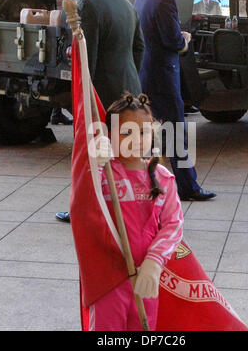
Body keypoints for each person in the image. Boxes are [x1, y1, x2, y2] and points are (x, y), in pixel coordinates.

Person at [56, 0, 145, 223]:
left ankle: (85, 209)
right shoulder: (126, 4)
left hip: (102, 97)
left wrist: (84, 102)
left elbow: (87, 62)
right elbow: (139, 48)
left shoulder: (88, 6)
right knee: (126, 155)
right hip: (130, 91)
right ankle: (129, 207)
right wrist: (127, 80)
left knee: (92, 156)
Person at [88, 93, 184, 330]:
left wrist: (154, 262)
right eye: (126, 132)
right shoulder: (105, 174)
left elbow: (173, 224)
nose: (137, 139)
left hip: (145, 277)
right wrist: (93, 165)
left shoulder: (163, 178)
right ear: (109, 135)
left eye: (143, 132)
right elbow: (85, 205)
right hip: (107, 280)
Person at [134, 0, 216, 201]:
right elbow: (173, 42)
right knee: (176, 132)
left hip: (145, 75)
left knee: (147, 135)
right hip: (164, 79)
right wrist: (185, 40)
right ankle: (188, 187)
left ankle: (144, 183)